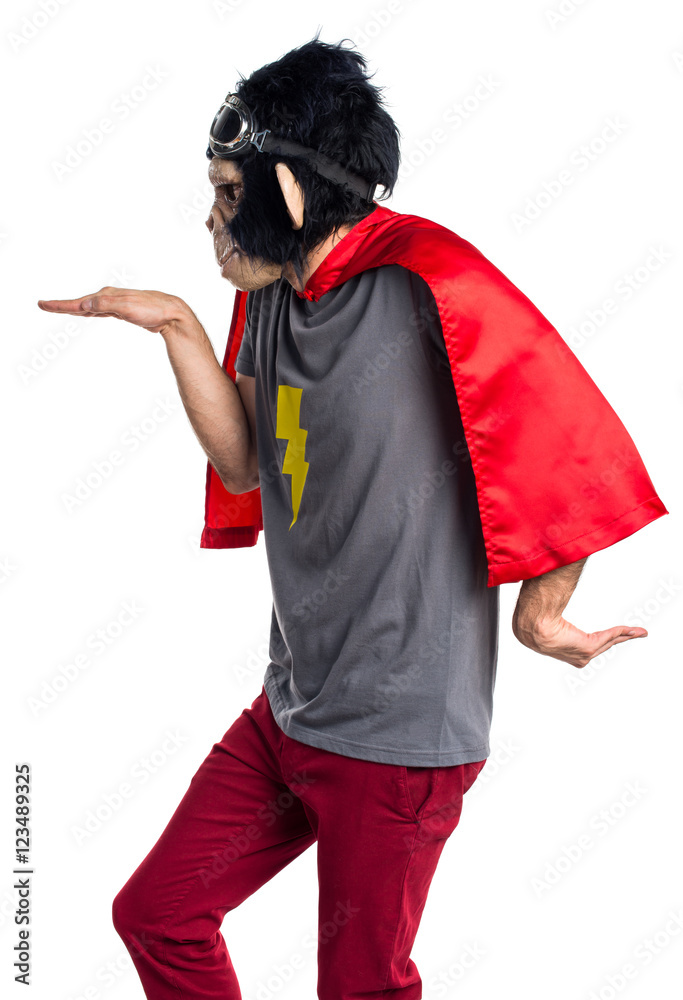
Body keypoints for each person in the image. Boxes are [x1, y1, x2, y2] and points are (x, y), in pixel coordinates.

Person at [37, 36, 667, 1000]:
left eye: (227, 192)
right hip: (292, 708)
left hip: (399, 738)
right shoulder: (276, 294)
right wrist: (178, 326)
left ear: (289, 191)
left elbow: (571, 441)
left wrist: (540, 613)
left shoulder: (430, 282)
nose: (211, 218)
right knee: (158, 915)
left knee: (361, 986)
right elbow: (247, 462)